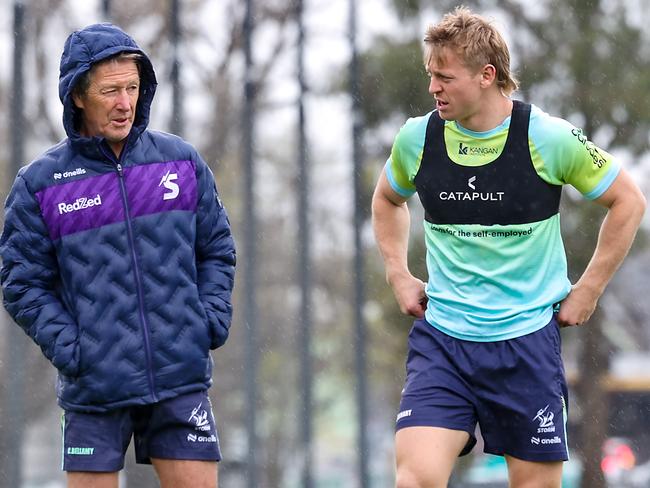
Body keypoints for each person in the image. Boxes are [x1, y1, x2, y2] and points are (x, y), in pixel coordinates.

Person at [371, 6, 645, 488]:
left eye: (444, 77)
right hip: (444, 341)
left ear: (486, 75)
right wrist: (398, 270)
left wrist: (589, 288)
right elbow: (387, 199)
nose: (433, 87)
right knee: (415, 479)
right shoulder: (418, 138)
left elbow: (628, 201)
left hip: (526, 343)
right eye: (429, 75)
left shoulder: (549, 137)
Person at [0, 23, 235, 488]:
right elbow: (21, 282)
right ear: (78, 96)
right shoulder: (40, 184)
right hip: (94, 388)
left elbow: (216, 249)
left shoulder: (180, 162)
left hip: (179, 376)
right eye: (110, 90)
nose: (125, 103)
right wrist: (73, 348)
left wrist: (206, 320)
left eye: (132, 87)